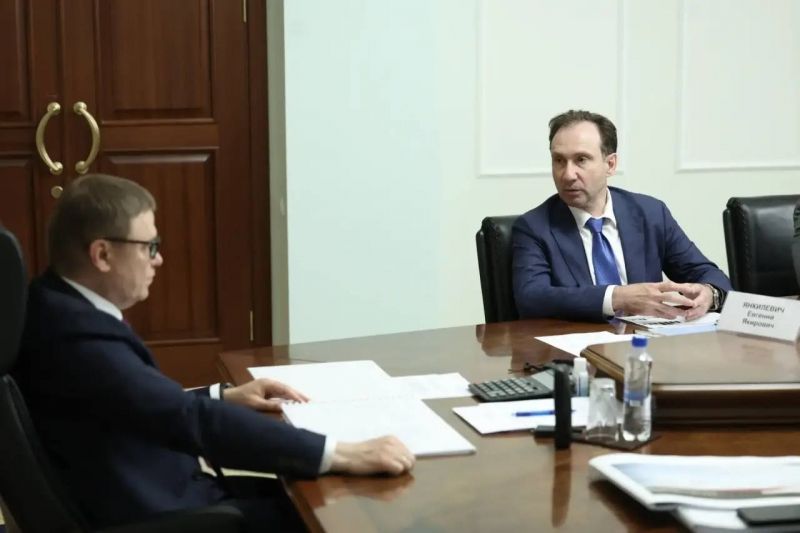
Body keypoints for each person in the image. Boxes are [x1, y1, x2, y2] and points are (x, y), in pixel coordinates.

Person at [13, 174, 415, 532]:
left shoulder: (53, 305)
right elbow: (190, 421)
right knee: (347, 508)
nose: (159, 259)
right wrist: (340, 452)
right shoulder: (76, 338)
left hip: (157, 489)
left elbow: (137, 402)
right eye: (149, 246)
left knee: (314, 490)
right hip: (161, 513)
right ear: (102, 254)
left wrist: (222, 395)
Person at [512, 110, 732, 322]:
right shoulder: (534, 227)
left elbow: (707, 273)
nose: (568, 174)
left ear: (610, 164)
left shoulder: (650, 213)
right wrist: (617, 298)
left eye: (581, 160)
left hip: (645, 341)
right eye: (559, 160)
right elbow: (531, 298)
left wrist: (709, 293)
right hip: (577, 343)